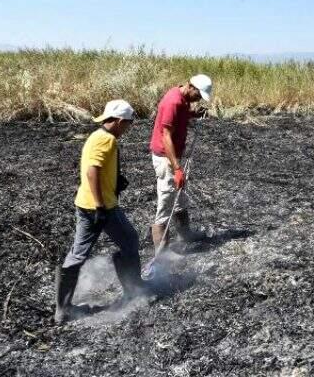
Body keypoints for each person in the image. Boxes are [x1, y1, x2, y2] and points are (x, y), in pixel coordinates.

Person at [55, 99, 145, 324]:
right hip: (102, 207)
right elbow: (92, 171)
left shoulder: (96, 136)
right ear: (118, 121)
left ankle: (62, 309)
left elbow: (97, 168)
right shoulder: (107, 140)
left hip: (85, 203)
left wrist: (114, 179)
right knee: (130, 241)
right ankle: (134, 290)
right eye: (128, 124)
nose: (128, 128)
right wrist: (100, 206)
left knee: (77, 255)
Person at [147, 74, 213, 256]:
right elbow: (165, 135)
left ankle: (185, 234)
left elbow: (179, 116)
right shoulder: (173, 102)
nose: (198, 99)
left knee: (180, 195)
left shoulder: (182, 98)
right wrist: (176, 168)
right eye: (198, 95)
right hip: (165, 157)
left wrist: (193, 114)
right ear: (191, 87)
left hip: (173, 156)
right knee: (167, 199)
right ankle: (162, 252)